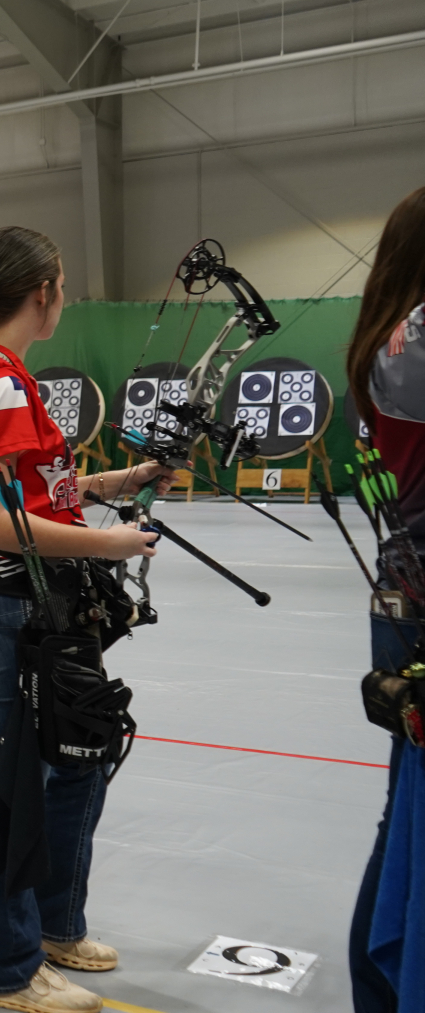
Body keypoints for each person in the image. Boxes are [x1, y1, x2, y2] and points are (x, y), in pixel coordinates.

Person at [0, 227, 172, 1013]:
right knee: (13, 788)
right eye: (63, 285)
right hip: (6, 606)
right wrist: (111, 542)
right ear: (43, 292)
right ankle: (3, 967)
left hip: (35, 604)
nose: (64, 296)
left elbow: (35, 491)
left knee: (79, 760)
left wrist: (123, 480)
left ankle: (56, 925)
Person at [345, 185, 425, 1013]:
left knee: (408, 807)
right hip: (417, 602)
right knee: (411, 809)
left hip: (403, 595)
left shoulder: (391, 336)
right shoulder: (413, 344)